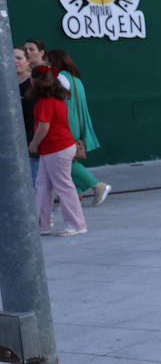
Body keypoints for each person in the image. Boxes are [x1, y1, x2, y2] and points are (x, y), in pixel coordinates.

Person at [43, 48, 111, 206]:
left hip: (65, 123)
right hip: (76, 122)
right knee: (67, 160)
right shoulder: (75, 79)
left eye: (48, 61)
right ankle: (76, 193)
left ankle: (98, 186)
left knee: (65, 161)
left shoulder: (59, 78)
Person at [28, 68, 87, 237]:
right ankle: (42, 225)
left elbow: (43, 127)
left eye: (32, 78)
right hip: (57, 147)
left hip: (56, 147)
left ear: (36, 81)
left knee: (61, 186)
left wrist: (33, 145)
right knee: (43, 185)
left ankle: (76, 224)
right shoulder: (56, 99)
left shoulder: (45, 102)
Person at [15, 46, 38, 182]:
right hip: (13, 137)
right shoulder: (5, 82)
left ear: (28, 61)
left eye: (19, 58)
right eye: (11, 58)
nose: (15, 61)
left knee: (34, 176)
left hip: (32, 134)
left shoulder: (33, 82)